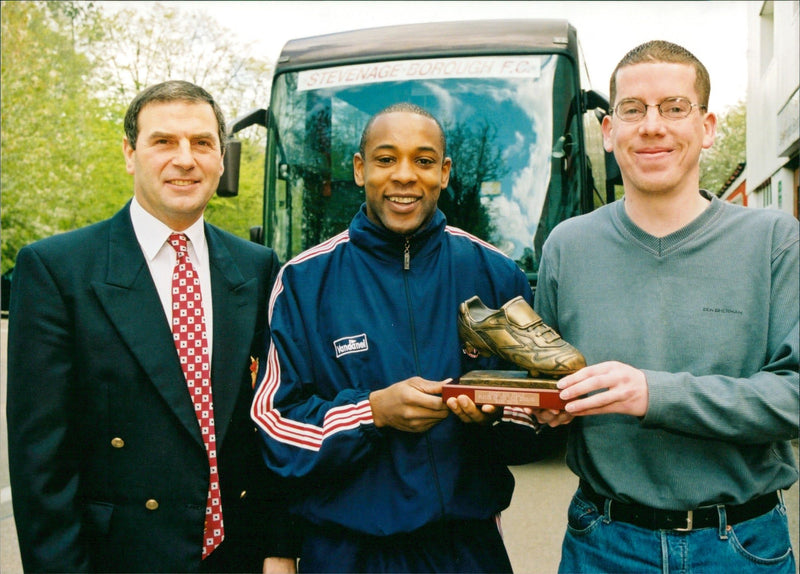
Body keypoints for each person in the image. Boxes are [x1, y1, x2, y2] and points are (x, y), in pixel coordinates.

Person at [7, 80, 298, 573]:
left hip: (237, 557)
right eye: (164, 141)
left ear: (222, 160)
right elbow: (42, 466)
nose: (185, 159)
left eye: (203, 143)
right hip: (117, 557)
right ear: (130, 153)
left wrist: (278, 548)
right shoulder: (57, 270)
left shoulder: (257, 267)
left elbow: (271, 423)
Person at [532, 40, 799, 572]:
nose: (652, 126)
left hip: (741, 545)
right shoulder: (567, 246)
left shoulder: (774, 240)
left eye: (675, 108)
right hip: (602, 543)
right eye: (633, 109)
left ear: (707, 127)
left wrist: (655, 393)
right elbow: (549, 387)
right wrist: (542, 410)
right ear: (609, 131)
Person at [251, 103, 551, 573]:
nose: (405, 176)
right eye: (386, 159)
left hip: (466, 552)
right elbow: (274, 429)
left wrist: (492, 416)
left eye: (424, 160)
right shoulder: (304, 282)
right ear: (359, 168)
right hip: (346, 553)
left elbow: (535, 417)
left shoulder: (495, 273)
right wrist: (373, 412)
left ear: (445, 172)